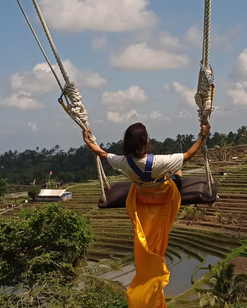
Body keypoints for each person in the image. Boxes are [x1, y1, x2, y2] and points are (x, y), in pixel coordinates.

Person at [82, 122, 210, 308]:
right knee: (176, 173)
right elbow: (189, 154)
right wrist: (203, 136)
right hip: (164, 196)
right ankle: (175, 175)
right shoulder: (160, 161)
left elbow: (101, 153)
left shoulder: (123, 162)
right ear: (146, 141)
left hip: (141, 198)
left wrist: (88, 141)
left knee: (155, 177)